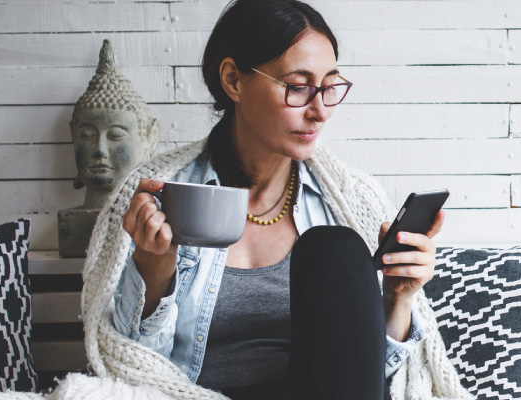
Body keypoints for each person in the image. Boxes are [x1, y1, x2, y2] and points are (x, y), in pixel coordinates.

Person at [93, 0, 470, 398]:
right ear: (234, 80)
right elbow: (129, 369)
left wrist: (397, 298)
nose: (320, 111)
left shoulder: (349, 200)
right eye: (298, 87)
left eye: (329, 87)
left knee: (333, 245)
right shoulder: (158, 195)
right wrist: (154, 268)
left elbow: (375, 375)